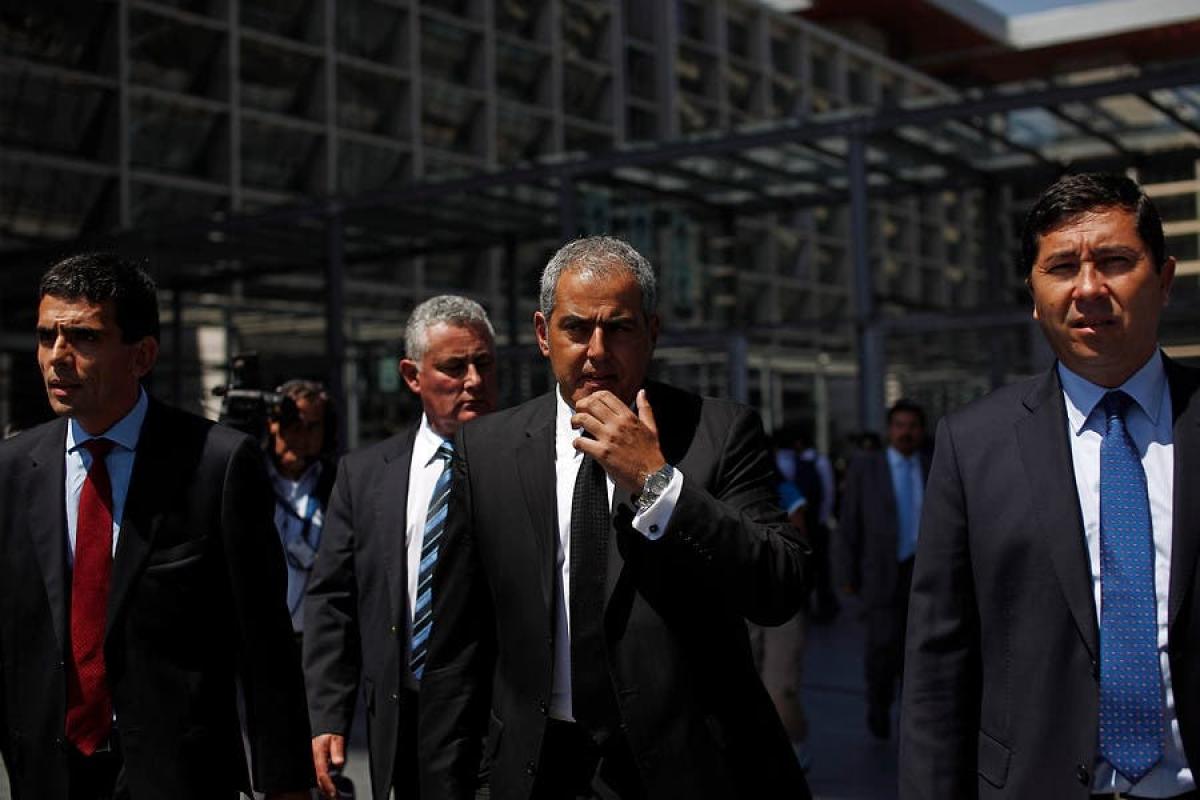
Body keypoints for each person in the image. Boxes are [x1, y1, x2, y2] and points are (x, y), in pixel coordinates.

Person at [417, 235, 811, 800]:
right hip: (536, 771)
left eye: (619, 328)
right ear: (543, 334)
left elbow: (779, 587)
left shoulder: (719, 433)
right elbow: (456, 651)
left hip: (684, 771)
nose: (597, 351)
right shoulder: (485, 451)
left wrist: (658, 483)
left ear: (652, 331)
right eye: (577, 328)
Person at [900, 173, 1199, 799]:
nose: (1088, 288)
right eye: (1062, 267)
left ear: (1165, 279)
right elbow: (938, 666)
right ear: (1035, 297)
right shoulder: (972, 444)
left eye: (1114, 261)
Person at [0, 253, 312, 799]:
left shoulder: (216, 464)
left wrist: (285, 784)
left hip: (179, 775)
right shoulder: (12, 469)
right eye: (47, 336)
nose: (57, 357)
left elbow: (264, 642)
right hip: (47, 775)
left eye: (85, 337)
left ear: (142, 355)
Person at [304, 295, 499, 800]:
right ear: (412, 376)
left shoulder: (530, 462)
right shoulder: (364, 475)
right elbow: (333, 600)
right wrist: (328, 715)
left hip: (498, 723)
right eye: (454, 367)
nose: (474, 381)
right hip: (404, 718)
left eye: (484, 364)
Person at [841, 399, 929, 740]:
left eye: (912, 426)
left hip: (923, 573)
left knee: (921, 650)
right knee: (881, 648)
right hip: (881, 573)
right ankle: (878, 706)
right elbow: (850, 524)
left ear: (921, 431)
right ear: (890, 430)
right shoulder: (867, 468)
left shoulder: (933, 464)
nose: (906, 433)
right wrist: (847, 576)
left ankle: (914, 716)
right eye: (900, 426)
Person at [266, 379, 338, 637]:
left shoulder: (339, 485)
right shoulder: (250, 481)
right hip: (263, 639)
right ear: (272, 425)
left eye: (312, 427)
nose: (301, 436)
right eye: (292, 425)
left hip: (318, 639)